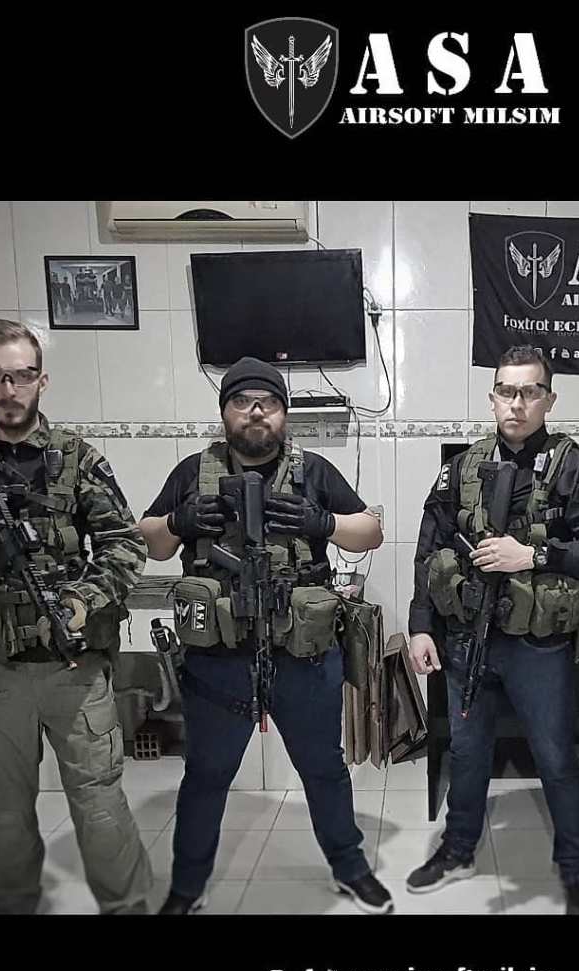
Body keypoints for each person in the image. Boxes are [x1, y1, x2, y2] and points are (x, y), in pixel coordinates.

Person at [0, 318, 152, 914]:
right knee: (3, 811)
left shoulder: (77, 459)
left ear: (41, 381)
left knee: (100, 805)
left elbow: (125, 546)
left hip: (74, 668)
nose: (9, 389)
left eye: (21, 376)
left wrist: (83, 599)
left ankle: (127, 906)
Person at [139, 356, 393, 914]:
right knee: (206, 775)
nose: (256, 411)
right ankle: (187, 886)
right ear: (224, 412)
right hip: (218, 659)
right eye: (242, 401)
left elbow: (370, 532)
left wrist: (323, 523)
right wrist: (178, 522)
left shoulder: (314, 471)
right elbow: (149, 542)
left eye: (269, 402)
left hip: (302, 656)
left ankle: (350, 869)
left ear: (284, 414)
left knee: (323, 769)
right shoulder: (193, 472)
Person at [405, 344, 579, 915]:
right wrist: (421, 626)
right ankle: (458, 849)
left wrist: (534, 555)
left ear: (549, 400)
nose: (517, 403)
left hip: (538, 648)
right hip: (465, 640)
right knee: (467, 753)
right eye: (507, 390)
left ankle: (576, 871)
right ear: (492, 398)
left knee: (555, 758)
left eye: (531, 392)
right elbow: (428, 552)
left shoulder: (572, 467)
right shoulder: (461, 469)